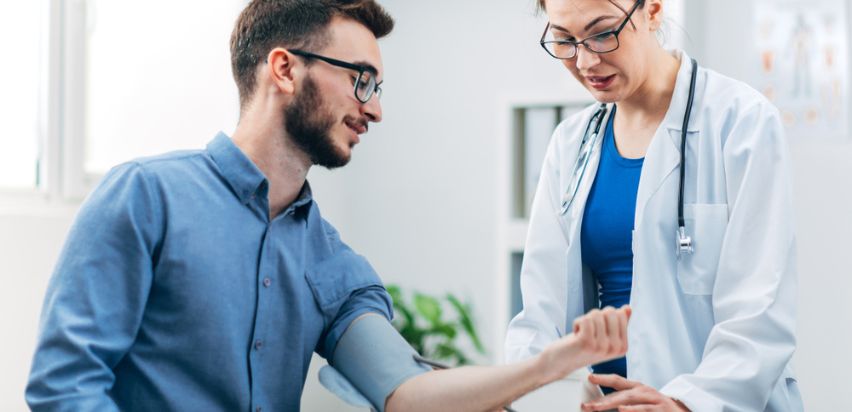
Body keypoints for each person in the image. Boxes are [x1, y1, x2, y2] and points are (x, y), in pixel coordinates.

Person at [26, 1, 631, 411]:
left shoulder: (333, 265)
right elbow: (65, 386)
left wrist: (554, 363)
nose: (375, 108)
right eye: (360, 79)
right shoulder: (143, 197)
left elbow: (406, 393)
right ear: (285, 69)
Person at [504, 0, 802, 411]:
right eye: (565, 40)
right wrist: (544, 394)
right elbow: (540, 315)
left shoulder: (741, 122)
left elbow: (759, 313)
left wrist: (684, 404)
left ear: (654, 11)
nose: (586, 60)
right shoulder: (570, 144)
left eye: (603, 32)